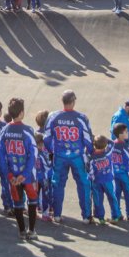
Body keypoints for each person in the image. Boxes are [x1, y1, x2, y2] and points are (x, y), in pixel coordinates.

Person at [44, 89, 94, 224]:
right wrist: (91, 153)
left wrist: (52, 151)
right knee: (83, 184)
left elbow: (46, 138)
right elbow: (88, 140)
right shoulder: (82, 118)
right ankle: (86, 216)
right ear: (73, 101)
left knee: (57, 184)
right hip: (77, 156)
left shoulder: (53, 116)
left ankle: (57, 215)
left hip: (59, 155)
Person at [0, 97, 40, 240]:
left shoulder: (4, 131)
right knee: (32, 201)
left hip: (13, 176)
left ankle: (21, 231)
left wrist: (9, 175)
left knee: (17, 202)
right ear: (21, 113)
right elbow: (33, 154)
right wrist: (25, 174)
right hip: (28, 176)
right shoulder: (28, 130)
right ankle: (31, 231)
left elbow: (0, 155)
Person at [89, 135, 121, 225]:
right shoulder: (108, 152)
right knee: (112, 198)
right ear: (105, 145)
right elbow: (112, 143)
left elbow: (90, 171)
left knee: (98, 200)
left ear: (94, 145)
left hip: (96, 181)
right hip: (108, 180)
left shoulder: (91, 157)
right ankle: (115, 216)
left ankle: (101, 218)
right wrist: (105, 139)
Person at [110, 124, 129, 221]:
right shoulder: (126, 146)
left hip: (114, 174)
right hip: (126, 174)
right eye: (126, 132)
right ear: (121, 134)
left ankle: (116, 214)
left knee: (115, 194)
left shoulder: (111, 145)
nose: (128, 133)